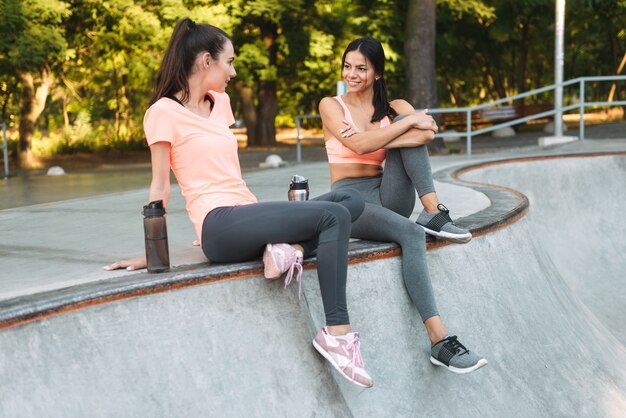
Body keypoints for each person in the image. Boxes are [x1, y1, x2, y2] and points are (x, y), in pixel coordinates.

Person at [104, 18, 373, 388]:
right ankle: (338, 335)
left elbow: (228, 173)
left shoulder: (221, 104)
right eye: (228, 62)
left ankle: (287, 249)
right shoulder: (162, 113)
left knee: (350, 200)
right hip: (219, 226)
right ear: (205, 62)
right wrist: (153, 252)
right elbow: (160, 186)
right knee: (334, 216)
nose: (232, 71)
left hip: (246, 213)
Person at [319, 37, 487, 374]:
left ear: (378, 72)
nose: (352, 74)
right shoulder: (332, 105)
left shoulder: (395, 106)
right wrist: (408, 122)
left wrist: (402, 122)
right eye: (347, 66)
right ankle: (439, 340)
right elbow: (361, 144)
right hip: (351, 199)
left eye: (361, 68)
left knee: (402, 132)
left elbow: (428, 135)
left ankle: (433, 211)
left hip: (389, 193)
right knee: (411, 234)